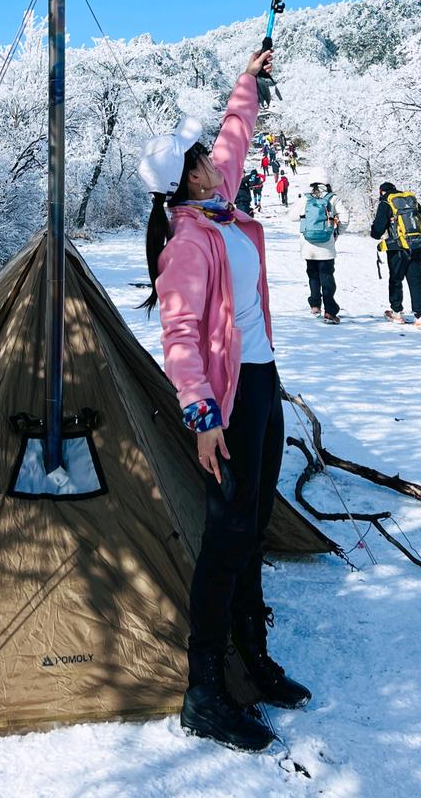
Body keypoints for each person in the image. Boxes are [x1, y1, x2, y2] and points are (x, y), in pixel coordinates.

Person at [137, 49, 310, 753]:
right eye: (200, 156)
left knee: (255, 522)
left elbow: (237, 133)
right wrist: (202, 418)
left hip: (262, 384)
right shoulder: (188, 243)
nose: (213, 156)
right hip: (227, 402)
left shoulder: (222, 204)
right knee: (229, 535)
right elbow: (178, 337)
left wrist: (250, 80)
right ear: (185, 180)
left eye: (208, 152)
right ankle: (204, 690)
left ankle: (252, 660)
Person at [289, 167, 349, 324]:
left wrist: (305, 216)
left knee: (313, 274)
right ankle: (329, 311)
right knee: (327, 276)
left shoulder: (306, 198)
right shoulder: (332, 198)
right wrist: (337, 233)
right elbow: (345, 217)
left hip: (308, 245)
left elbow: (292, 216)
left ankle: (315, 304)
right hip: (326, 245)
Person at [370, 181, 421, 330]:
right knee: (416, 282)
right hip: (416, 247)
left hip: (397, 249)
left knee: (396, 279)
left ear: (381, 192)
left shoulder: (386, 202)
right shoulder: (410, 200)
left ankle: (397, 313)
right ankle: (420, 317)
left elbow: (377, 232)